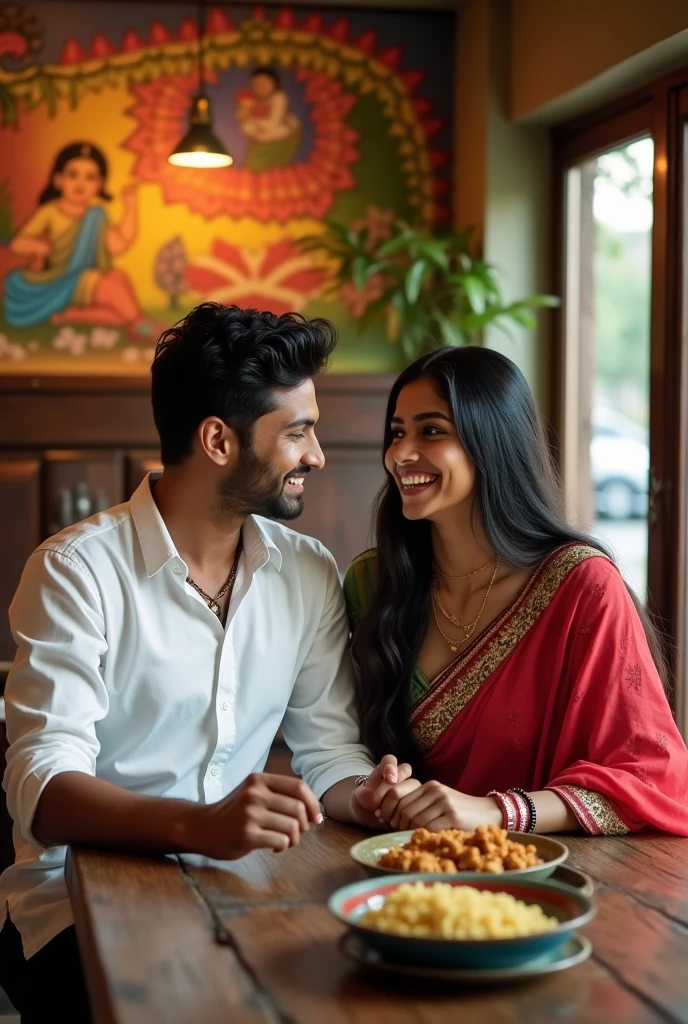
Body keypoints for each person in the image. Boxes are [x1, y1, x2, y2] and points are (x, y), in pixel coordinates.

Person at [0, 303, 411, 1023]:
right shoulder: (76, 570)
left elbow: (330, 752)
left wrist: (366, 793)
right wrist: (199, 824)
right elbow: (45, 788)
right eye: (297, 432)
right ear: (219, 440)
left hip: (239, 888)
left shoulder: (307, 572)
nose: (316, 454)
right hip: (71, 906)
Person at [344, 345, 688, 838]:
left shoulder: (582, 587)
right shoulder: (373, 584)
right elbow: (334, 744)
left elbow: (653, 779)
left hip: (554, 872)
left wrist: (497, 811)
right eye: (397, 433)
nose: (400, 454)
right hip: (400, 865)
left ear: (493, 442)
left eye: (432, 431)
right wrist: (376, 787)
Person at [5, 141, 160, 343]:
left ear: (99, 184)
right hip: (58, 277)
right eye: (73, 174)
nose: (80, 183)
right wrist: (39, 248)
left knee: (119, 277)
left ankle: (72, 315)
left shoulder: (96, 215)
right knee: (111, 289)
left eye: (90, 177)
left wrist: (131, 207)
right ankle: (140, 323)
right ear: (58, 179)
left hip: (86, 277)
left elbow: (118, 245)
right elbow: (18, 243)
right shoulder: (50, 211)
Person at [236, 67, 302, 172]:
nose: (261, 87)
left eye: (264, 83)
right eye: (257, 84)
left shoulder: (279, 97)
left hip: (283, 136)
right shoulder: (251, 102)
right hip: (262, 138)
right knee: (253, 161)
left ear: (274, 84)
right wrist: (245, 115)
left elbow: (274, 123)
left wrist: (256, 124)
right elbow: (246, 127)